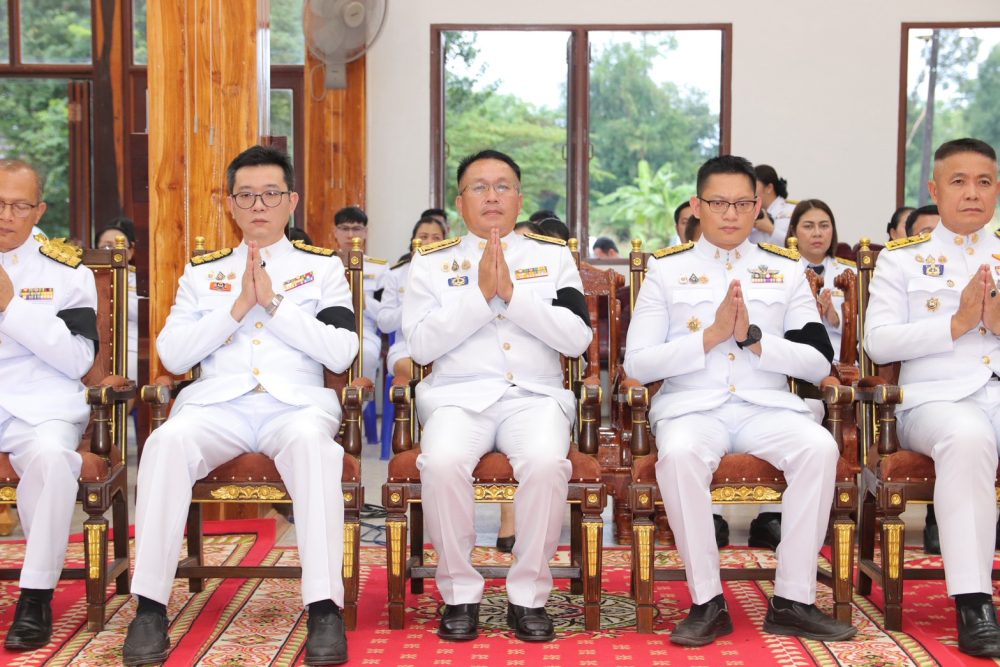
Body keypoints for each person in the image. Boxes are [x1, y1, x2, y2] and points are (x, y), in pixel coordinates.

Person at [122, 145, 359, 666]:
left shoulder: (322, 270)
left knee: (315, 450)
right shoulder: (202, 273)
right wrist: (236, 307)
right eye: (246, 195)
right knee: (165, 444)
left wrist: (272, 302)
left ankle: (324, 608)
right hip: (217, 406)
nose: (258, 205)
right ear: (229, 204)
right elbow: (173, 355)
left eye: (271, 194)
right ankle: (150, 607)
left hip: (295, 406)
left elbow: (341, 351)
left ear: (291, 201)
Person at [624, 154, 855, 647]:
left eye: (742, 203)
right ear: (697, 206)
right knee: (680, 455)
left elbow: (819, 361)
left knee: (819, 448)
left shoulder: (785, 270)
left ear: (758, 208)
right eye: (718, 203)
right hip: (692, 407)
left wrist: (754, 339)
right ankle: (707, 602)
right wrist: (709, 337)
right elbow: (637, 365)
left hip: (765, 407)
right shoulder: (666, 271)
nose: (731, 214)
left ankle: (793, 601)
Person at [402, 149, 592, 642]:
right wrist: (479, 296)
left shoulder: (552, 258)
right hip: (457, 398)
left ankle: (528, 596)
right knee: (441, 462)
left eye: (503, 186)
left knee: (547, 464)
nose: (492, 196)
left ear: (519, 199)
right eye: (479, 187)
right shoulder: (430, 262)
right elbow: (420, 346)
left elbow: (577, 339)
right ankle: (460, 594)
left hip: (534, 397)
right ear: (460, 200)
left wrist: (514, 296)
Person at [865, 138, 1000, 658]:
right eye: (959, 181)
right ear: (935, 190)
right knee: (968, 437)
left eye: (983, 182)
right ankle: (974, 603)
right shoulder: (903, 260)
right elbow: (879, 343)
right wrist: (957, 323)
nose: (972, 193)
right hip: (933, 402)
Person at [0, 159, 98, 651]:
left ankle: (35, 597)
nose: (6, 215)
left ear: (39, 210)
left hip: (40, 405)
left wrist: (11, 305)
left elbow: (79, 359)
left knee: (54, 459)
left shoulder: (66, 272)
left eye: (19, 205)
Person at [333, 206, 387, 382]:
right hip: (330, 330)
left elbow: (384, 313)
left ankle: (361, 398)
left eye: (356, 229)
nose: (350, 235)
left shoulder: (379, 269)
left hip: (364, 332)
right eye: (344, 228)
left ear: (365, 232)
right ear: (335, 232)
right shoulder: (324, 264)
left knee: (366, 355)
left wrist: (360, 296)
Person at [96, 219, 139, 383]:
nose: (114, 252)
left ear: (130, 252)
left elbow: (142, 314)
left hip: (130, 349)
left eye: (120, 246)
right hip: (95, 350)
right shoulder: (87, 277)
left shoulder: (141, 281)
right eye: (107, 247)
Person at [751, 164, 796, 245]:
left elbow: (800, 245)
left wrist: (770, 229)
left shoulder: (793, 211)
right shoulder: (750, 213)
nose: (749, 191)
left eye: (753, 186)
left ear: (769, 188)